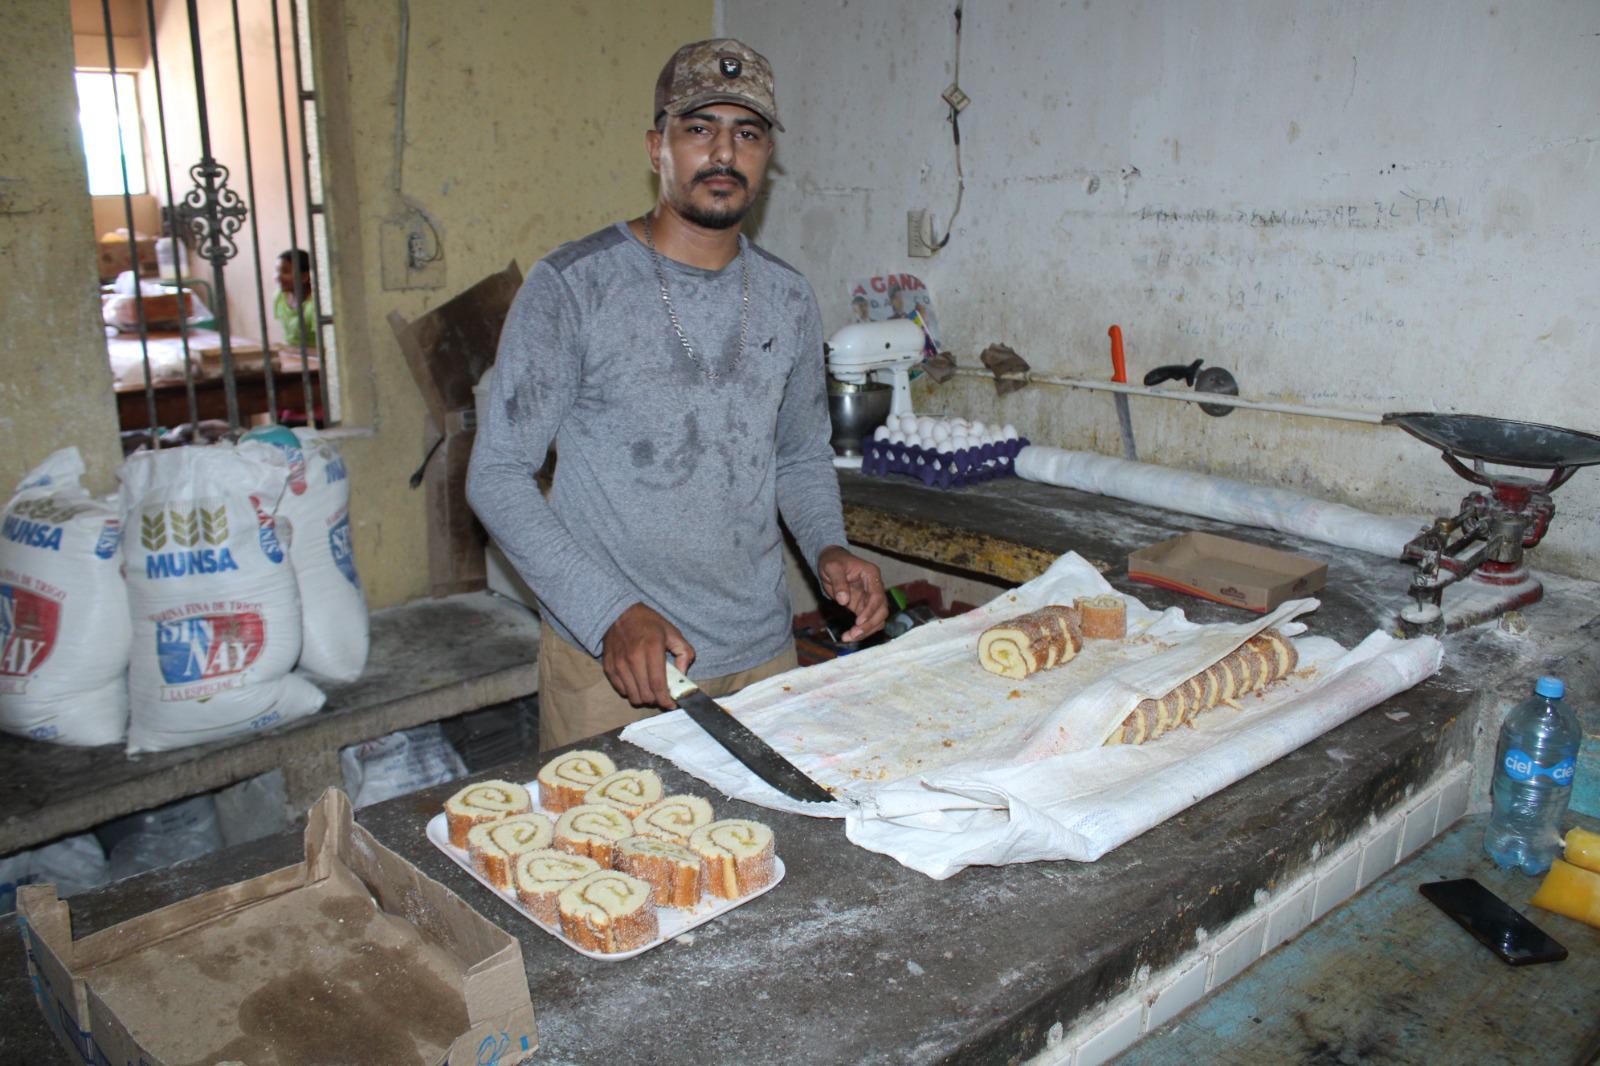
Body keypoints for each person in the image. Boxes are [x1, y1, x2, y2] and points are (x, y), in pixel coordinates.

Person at [468, 39, 888, 752]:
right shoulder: (575, 286)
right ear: (656, 145)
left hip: (762, 659)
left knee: (763, 857)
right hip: (615, 667)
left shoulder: (787, 297)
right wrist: (608, 614)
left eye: (747, 133)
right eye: (700, 129)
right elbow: (497, 474)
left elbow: (798, 457)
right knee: (612, 858)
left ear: (766, 157)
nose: (724, 152)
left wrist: (828, 547)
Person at [273, 248, 316, 347]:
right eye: (277, 271)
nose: (277, 277)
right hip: (291, 358)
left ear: (304, 277)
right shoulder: (279, 297)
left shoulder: (315, 305)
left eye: (286, 271)